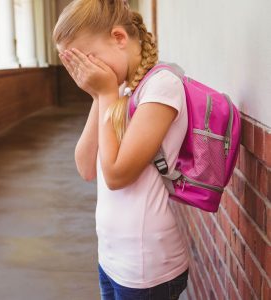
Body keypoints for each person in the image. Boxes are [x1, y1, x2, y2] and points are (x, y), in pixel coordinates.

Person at [52, 1, 190, 299]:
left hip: (145, 269)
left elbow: (116, 175)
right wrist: (98, 94)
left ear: (118, 38)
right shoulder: (121, 89)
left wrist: (105, 92)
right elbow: (86, 166)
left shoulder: (161, 86)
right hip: (111, 258)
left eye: (89, 59)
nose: (87, 70)